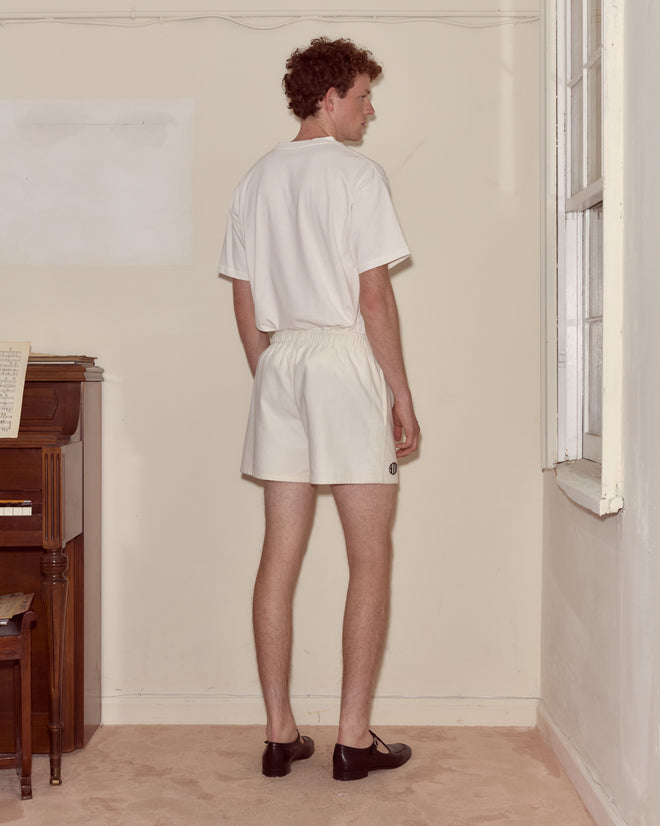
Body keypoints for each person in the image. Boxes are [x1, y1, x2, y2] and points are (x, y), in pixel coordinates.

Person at [218, 36, 420, 781]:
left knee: (280, 554)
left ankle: (279, 734)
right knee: (370, 556)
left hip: (282, 363)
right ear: (328, 98)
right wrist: (399, 392)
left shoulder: (254, 180)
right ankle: (353, 738)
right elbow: (373, 297)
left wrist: (269, 374)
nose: (371, 110)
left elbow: (244, 298)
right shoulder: (357, 175)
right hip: (340, 358)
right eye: (364, 95)